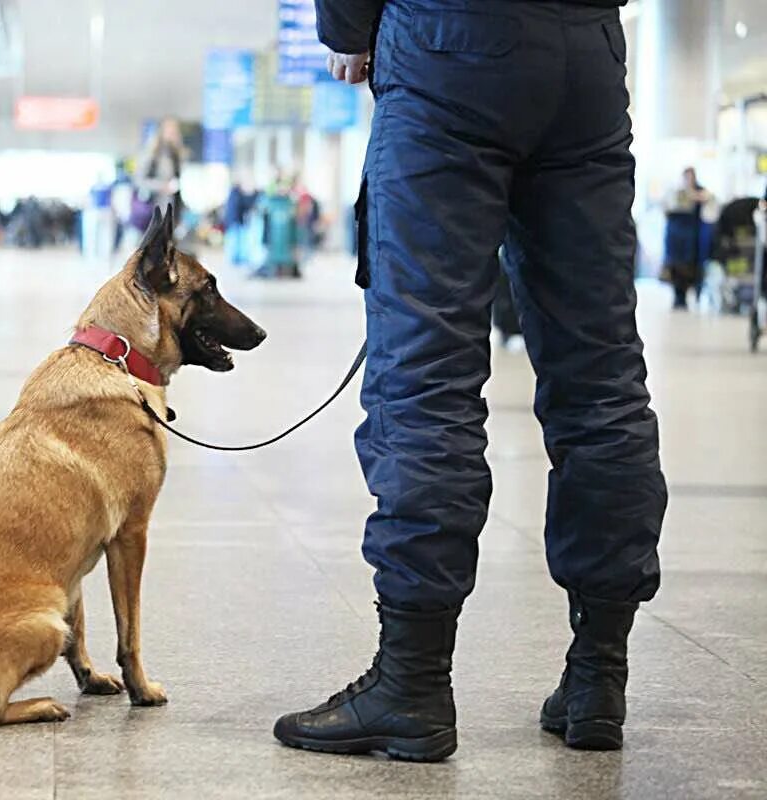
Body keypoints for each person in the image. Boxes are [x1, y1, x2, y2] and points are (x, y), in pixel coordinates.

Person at [273, 0, 667, 761]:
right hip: (589, 57)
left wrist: (352, 31)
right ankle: (598, 677)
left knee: (427, 372)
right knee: (602, 373)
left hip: (449, 45)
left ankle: (412, 684)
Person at [663, 167, 713, 310]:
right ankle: (678, 297)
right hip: (676, 236)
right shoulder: (676, 191)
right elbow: (667, 208)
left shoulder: (700, 190)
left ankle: (692, 294)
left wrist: (693, 195)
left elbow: (708, 197)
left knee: (690, 267)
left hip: (692, 236)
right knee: (676, 267)